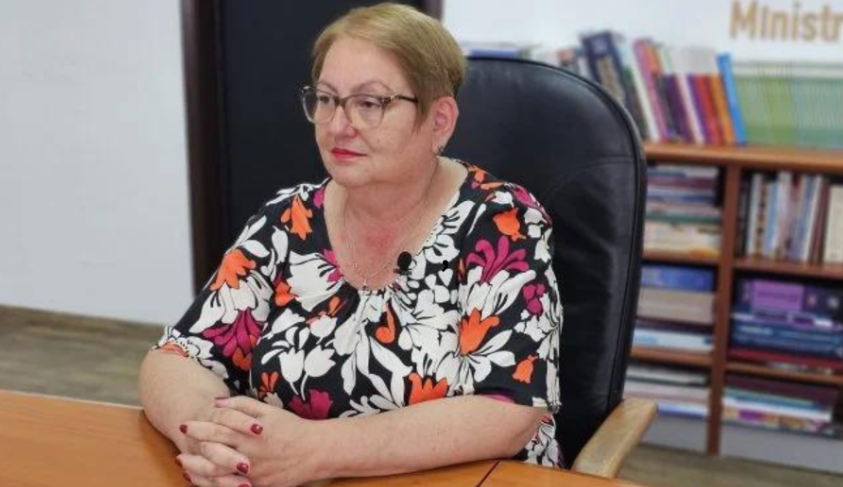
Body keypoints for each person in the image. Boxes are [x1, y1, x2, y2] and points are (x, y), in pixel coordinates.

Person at [139, 3, 562, 486]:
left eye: (370, 103)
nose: (338, 125)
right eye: (326, 99)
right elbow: (176, 357)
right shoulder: (288, 219)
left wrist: (315, 452)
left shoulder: (501, 222)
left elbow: (509, 409)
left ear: (439, 121)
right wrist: (209, 435)